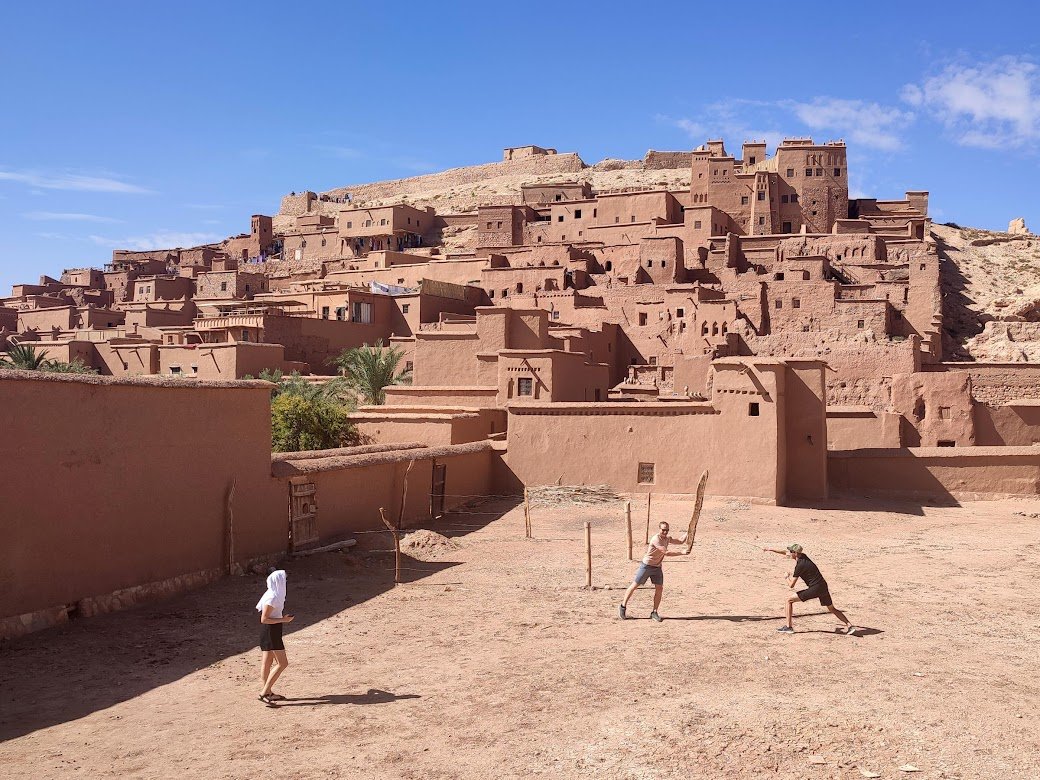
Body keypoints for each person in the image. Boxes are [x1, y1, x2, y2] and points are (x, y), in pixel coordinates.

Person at [763, 544, 856, 635]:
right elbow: (785, 552)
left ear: (795, 553)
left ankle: (788, 627)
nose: (789, 553)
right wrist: (770, 549)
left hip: (815, 588)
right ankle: (849, 626)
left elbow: (791, 585)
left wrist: (786, 577)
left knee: (789, 600)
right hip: (823, 586)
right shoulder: (803, 556)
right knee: (832, 608)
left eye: (791, 551)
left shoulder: (799, 566)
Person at [618, 521, 689, 622]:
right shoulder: (656, 539)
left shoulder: (667, 538)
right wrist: (682, 553)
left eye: (667, 530)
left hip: (657, 567)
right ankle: (622, 606)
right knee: (635, 585)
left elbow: (681, 541)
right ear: (659, 529)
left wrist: (689, 531)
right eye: (663, 530)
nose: (665, 532)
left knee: (659, 588)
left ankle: (654, 612)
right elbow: (666, 552)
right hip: (647, 566)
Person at [256, 569, 295, 706]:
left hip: (270, 631)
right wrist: (284, 620)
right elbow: (264, 619)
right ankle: (264, 692)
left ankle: (268, 692)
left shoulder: (272, 594)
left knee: (267, 663)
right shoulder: (272, 597)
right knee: (283, 663)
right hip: (271, 631)